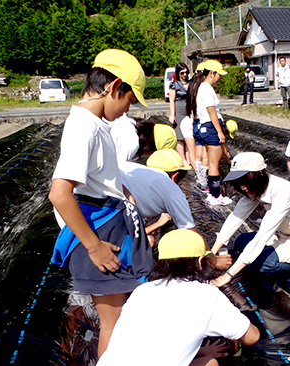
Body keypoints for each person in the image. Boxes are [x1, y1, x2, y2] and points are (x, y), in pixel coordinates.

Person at [48, 49, 153, 357]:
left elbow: (100, 176)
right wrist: (94, 246)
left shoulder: (95, 123)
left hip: (109, 224)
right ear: (113, 86)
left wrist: (122, 192)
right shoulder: (84, 127)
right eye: (129, 100)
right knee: (115, 325)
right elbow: (59, 193)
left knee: (122, 319)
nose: (127, 109)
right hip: (101, 233)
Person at [97, 229, 260, 366]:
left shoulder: (142, 291)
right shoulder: (207, 295)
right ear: (200, 261)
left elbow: (151, 340)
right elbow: (252, 337)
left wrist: (199, 350)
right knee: (210, 363)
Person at [211, 152, 290, 295]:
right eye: (239, 182)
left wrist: (227, 276)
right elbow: (236, 217)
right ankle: (283, 265)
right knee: (241, 241)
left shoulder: (283, 193)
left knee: (264, 262)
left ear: (260, 173)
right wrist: (212, 252)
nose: (243, 187)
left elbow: (262, 236)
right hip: (283, 233)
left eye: (245, 180)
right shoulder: (255, 188)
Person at [119, 150, 194, 245]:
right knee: (149, 241)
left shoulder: (135, 174)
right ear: (175, 176)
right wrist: (159, 223)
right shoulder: (168, 186)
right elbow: (189, 229)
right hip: (117, 234)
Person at [187, 59, 233, 205]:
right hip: (210, 127)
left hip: (202, 126)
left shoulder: (201, 87)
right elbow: (211, 111)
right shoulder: (206, 89)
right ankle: (215, 195)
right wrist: (219, 131)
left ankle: (210, 191)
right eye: (219, 75)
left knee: (210, 162)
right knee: (214, 164)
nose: (221, 78)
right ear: (212, 73)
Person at [169, 63, 192, 165]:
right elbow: (172, 100)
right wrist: (172, 114)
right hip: (179, 110)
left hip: (190, 110)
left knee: (189, 135)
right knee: (180, 136)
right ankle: (183, 158)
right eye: (182, 73)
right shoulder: (174, 85)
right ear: (178, 73)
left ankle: (189, 157)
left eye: (186, 72)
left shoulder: (191, 83)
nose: (185, 75)